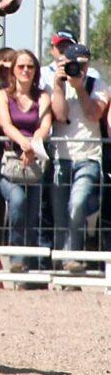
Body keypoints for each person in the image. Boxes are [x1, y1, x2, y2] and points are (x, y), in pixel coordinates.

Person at [49, 43, 107, 274]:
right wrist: (59, 86)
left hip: (89, 157)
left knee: (77, 204)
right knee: (60, 213)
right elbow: (60, 116)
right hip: (61, 158)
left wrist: (81, 88)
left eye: (83, 64)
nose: (79, 69)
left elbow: (94, 113)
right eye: (75, 64)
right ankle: (61, 265)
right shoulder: (57, 84)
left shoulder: (97, 85)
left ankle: (72, 257)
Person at [0, 50, 52, 275]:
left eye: (30, 66)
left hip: (35, 163)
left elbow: (45, 124)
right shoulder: (2, 95)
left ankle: (30, 264)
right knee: (17, 202)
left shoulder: (42, 96)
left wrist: (34, 144)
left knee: (33, 214)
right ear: (13, 70)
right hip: (11, 162)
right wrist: (24, 144)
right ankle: (16, 256)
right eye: (21, 66)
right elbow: (5, 124)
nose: (26, 70)